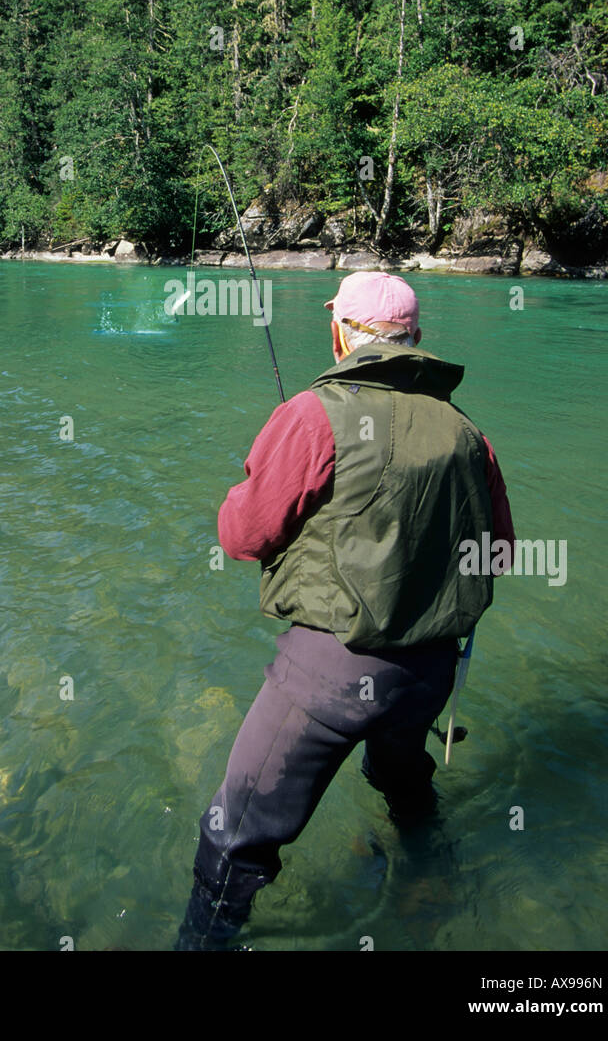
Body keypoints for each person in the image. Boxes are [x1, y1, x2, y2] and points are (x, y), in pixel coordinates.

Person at [175, 271, 514, 951]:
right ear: (414, 339)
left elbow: (243, 537)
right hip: (428, 674)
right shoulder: (466, 432)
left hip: (329, 675)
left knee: (236, 834)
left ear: (339, 334)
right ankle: (427, 882)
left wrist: (251, 486)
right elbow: (497, 555)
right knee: (400, 779)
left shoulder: (309, 413)